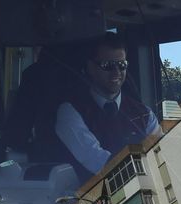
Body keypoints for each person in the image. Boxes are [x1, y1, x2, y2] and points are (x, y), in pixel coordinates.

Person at [51, 34, 159, 177]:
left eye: (122, 65)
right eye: (107, 65)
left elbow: (159, 154)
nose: (117, 72)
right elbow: (97, 160)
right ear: (90, 67)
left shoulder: (144, 113)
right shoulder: (70, 112)